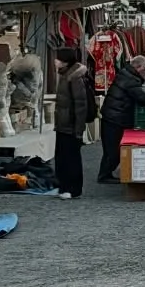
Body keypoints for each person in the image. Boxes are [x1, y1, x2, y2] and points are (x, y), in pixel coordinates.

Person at [97, 54, 145, 182]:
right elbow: (142, 98)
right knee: (113, 149)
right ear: (139, 67)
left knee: (111, 148)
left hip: (112, 116)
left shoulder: (125, 74)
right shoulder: (131, 79)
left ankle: (105, 174)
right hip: (115, 118)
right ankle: (104, 176)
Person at [53, 46, 91, 198]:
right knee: (62, 158)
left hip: (71, 125)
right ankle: (63, 187)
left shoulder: (74, 78)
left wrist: (78, 130)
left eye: (58, 58)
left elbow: (80, 105)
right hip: (62, 124)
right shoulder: (64, 75)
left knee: (71, 159)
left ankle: (72, 189)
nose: (55, 61)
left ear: (65, 61)